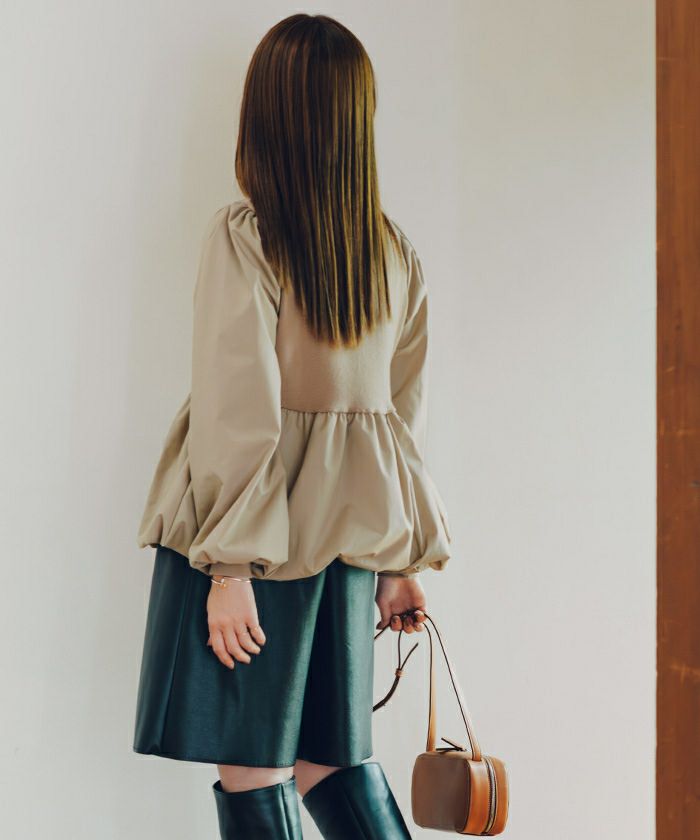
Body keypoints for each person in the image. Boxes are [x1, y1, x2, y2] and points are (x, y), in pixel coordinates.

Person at [132, 12, 451, 839]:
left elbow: (238, 407)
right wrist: (395, 561)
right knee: (330, 762)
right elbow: (401, 423)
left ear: (267, 113)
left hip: (257, 536)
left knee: (255, 769)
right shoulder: (393, 253)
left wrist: (229, 567)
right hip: (347, 547)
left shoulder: (250, 237)